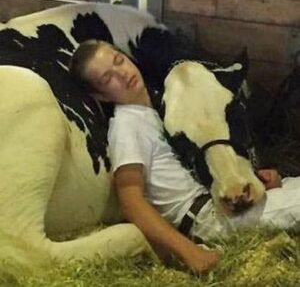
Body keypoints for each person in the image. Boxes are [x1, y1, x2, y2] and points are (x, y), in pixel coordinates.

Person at [69, 39, 300, 274]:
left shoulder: (162, 107)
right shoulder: (127, 127)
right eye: (108, 79)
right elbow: (131, 202)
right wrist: (190, 252)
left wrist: (257, 182)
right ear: (102, 96)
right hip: (206, 219)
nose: (122, 74)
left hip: (219, 200)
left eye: (119, 61)